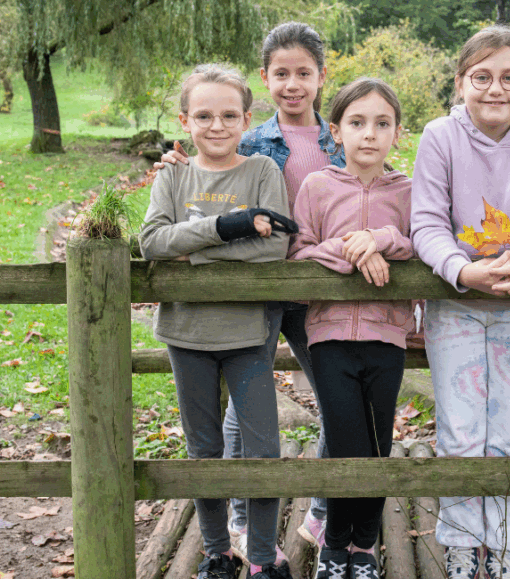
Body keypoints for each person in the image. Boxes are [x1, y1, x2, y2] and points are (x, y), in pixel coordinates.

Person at [156, 22, 344, 553]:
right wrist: (176, 167)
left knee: (333, 397)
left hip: (316, 287)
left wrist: (196, 244)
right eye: (281, 73)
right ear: (265, 79)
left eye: (303, 73)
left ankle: (322, 509)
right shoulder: (247, 139)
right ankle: (241, 519)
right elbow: (195, 187)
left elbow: (366, 191)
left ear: (321, 77)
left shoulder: (340, 138)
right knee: (245, 413)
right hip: (252, 297)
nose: (292, 84)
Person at [410, 25, 510, 579]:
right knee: (460, 427)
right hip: (456, 302)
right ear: (461, 82)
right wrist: (460, 270)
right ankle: (459, 540)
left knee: (507, 428)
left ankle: (501, 543)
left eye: (509, 77)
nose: (495, 89)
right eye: (482, 77)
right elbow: (427, 221)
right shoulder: (439, 137)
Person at [139, 63, 296, 579]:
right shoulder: (174, 176)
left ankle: (263, 557)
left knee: (262, 448)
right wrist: (229, 226)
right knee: (203, 448)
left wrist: (200, 250)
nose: (216, 125)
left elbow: (274, 247)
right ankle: (216, 552)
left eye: (229, 115)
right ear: (185, 121)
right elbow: (153, 243)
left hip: (248, 334)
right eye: (203, 115)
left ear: (247, 118)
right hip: (186, 334)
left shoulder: (261, 173)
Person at [288, 78, 414, 579]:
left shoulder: (408, 191)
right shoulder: (316, 187)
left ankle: (365, 547)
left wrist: (380, 237)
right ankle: (334, 546)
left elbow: (424, 241)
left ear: (398, 133)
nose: (370, 135)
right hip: (330, 336)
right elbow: (298, 254)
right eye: (357, 124)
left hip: (387, 336)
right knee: (345, 446)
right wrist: (349, 249)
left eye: (382, 124)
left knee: (379, 445)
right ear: (335, 131)